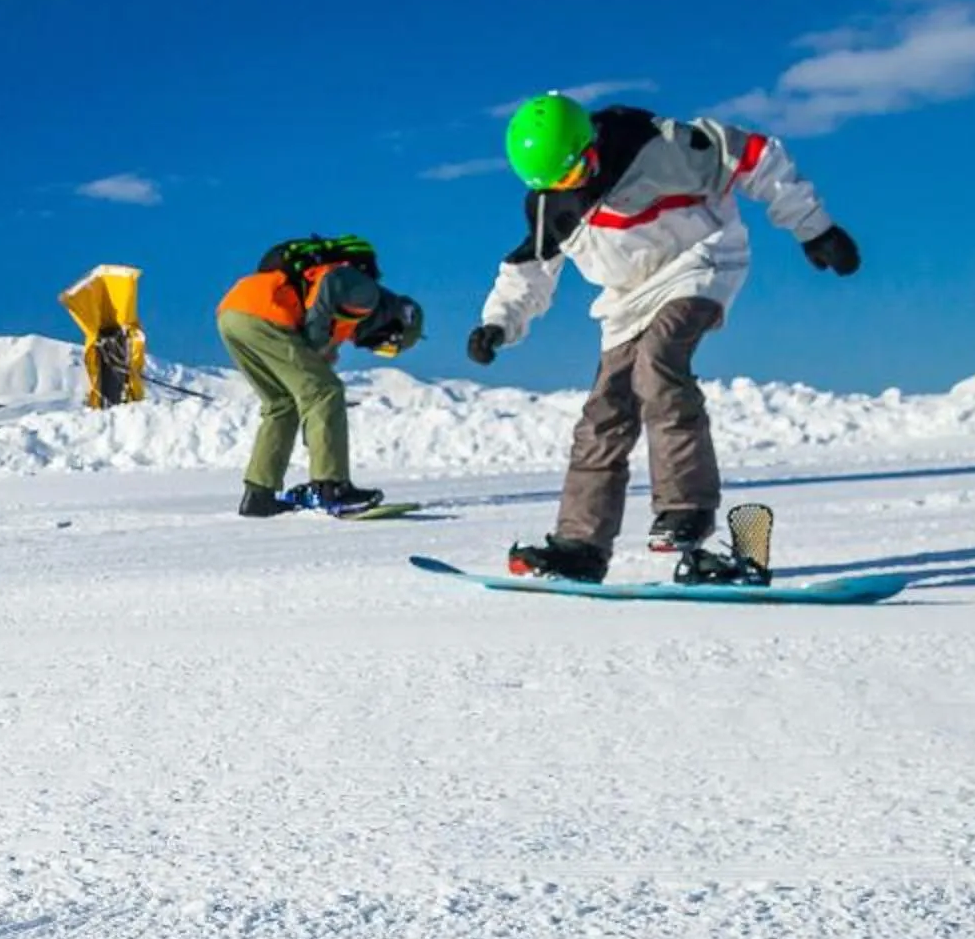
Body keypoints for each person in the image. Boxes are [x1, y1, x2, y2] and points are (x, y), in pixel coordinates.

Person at [469, 93, 859, 581]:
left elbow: (756, 157)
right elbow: (528, 272)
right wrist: (498, 324)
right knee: (602, 415)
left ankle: (686, 509)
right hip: (628, 298)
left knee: (658, 362)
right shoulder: (552, 203)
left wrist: (814, 228)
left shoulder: (658, 144)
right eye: (556, 183)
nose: (572, 187)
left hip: (700, 261)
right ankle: (581, 546)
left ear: (589, 142)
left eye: (573, 173)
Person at [216, 239, 424, 517]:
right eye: (386, 346)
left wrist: (319, 352)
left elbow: (320, 319)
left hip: (234, 313)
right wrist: (314, 343)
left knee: (282, 404)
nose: (375, 349)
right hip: (267, 313)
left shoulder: (349, 317)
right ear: (395, 326)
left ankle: (259, 496)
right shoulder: (367, 293)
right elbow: (330, 284)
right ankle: (333, 488)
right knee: (327, 391)